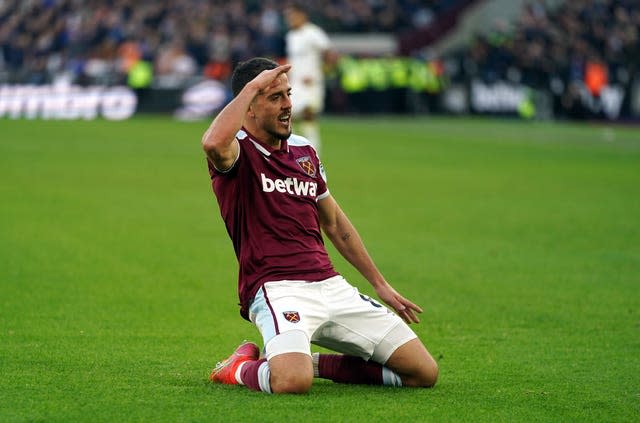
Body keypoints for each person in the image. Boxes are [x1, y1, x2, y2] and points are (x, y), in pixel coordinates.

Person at [201, 57, 438, 394]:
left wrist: (380, 284)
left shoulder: (304, 151)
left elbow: (336, 223)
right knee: (292, 383)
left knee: (422, 372)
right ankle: (240, 367)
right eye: (275, 97)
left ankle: (301, 361)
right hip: (276, 288)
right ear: (249, 106)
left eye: (288, 94)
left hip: (330, 285)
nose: (288, 106)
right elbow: (211, 143)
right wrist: (253, 85)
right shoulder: (237, 152)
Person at [283, 3, 336, 156]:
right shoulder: (291, 36)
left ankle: (313, 153)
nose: (290, 19)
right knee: (288, 116)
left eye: (293, 15)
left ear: (302, 15)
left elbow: (330, 55)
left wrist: (320, 74)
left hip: (311, 85)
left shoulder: (313, 32)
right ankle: (295, 152)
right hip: (294, 84)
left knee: (308, 115)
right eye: (288, 16)